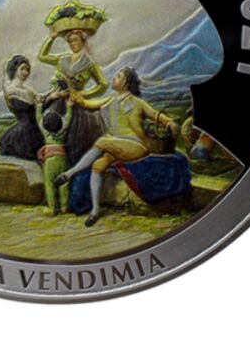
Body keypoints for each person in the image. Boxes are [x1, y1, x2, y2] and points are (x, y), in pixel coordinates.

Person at [53, 67, 177, 226]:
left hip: (136, 146)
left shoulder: (137, 102)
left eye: (118, 77)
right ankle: (95, 211)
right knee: (98, 166)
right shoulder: (111, 100)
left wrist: (170, 122)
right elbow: (86, 103)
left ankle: (69, 174)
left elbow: (156, 115)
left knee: (103, 141)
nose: (114, 78)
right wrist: (70, 91)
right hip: (116, 145)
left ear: (125, 83)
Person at [37, 29, 108, 163]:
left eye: (75, 40)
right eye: (70, 41)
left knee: (76, 134)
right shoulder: (63, 58)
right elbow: (42, 56)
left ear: (82, 41)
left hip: (76, 103)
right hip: (58, 100)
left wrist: (83, 94)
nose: (72, 44)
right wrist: (51, 38)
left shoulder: (89, 62)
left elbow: (103, 84)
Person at [0, 55, 44, 161]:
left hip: (34, 130)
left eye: (27, 69)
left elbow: (38, 102)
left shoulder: (28, 90)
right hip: (24, 133)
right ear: (15, 69)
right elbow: (28, 106)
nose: (25, 72)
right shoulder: (12, 90)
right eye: (22, 69)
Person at [34, 93, 73, 216]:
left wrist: (39, 105)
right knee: (64, 183)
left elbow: (38, 118)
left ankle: (52, 208)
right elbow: (68, 118)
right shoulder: (63, 131)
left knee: (49, 184)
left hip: (50, 161)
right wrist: (69, 106)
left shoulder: (46, 133)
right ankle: (64, 206)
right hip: (63, 158)